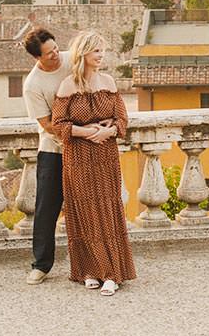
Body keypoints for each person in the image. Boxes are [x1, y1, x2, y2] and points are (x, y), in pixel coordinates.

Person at [49, 30, 135, 296]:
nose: (101, 56)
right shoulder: (67, 86)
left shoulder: (108, 82)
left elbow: (122, 119)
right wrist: (88, 132)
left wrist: (108, 132)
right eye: (96, 51)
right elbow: (58, 124)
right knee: (83, 211)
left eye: (102, 51)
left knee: (107, 210)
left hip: (105, 155)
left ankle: (112, 273)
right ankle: (88, 269)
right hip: (78, 156)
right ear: (83, 53)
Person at [22, 27, 72, 285]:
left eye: (55, 49)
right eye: (49, 54)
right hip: (53, 149)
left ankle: (90, 263)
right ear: (36, 58)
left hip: (85, 148)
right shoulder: (33, 84)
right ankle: (41, 265)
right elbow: (47, 124)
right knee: (46, 209)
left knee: (86, 206)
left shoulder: (72, 58)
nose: (56, 56)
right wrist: (78, 130)